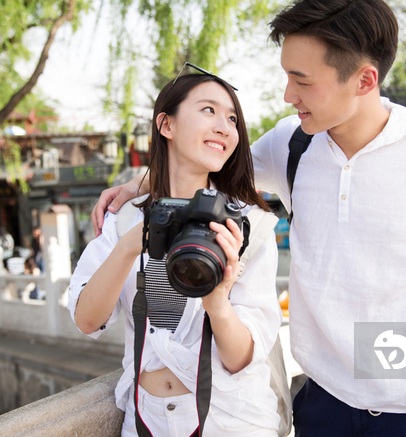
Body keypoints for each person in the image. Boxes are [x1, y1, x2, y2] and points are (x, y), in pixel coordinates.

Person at [91, 0, 406, 437]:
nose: (287, 94)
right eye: (286, 76)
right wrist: (138, 185)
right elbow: (212, 164)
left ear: (364, 80)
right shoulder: (292, 143)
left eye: (303, 80)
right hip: (321, 408)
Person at [69, 70, 282, 436]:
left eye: (232, 118)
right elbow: (87, 321)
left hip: (230, 422)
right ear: (166, 124)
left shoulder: (250, 225)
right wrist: (130, 245)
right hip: (146, 421)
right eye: (208, 110)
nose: (224, 127)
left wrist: (218, 301)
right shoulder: (125, 220)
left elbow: (242, 358)